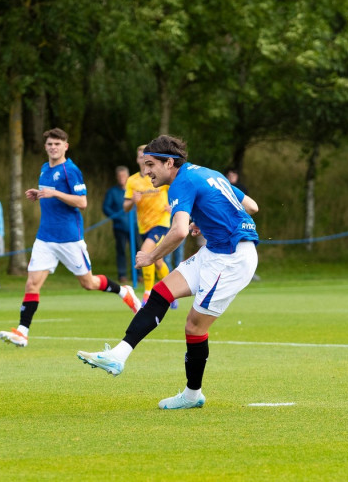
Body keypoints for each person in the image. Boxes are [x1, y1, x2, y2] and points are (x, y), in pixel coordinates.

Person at [77, 134, 260, 410]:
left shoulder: (181, 183)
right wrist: (208, 219)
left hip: (232, 260)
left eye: (150, 164)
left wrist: (151, 256)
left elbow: (179, 232)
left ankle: (191, 395)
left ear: (169, 162)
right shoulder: (206, 173)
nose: (146, 170)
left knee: (194, 327)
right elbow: (251, 206)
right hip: (215, 252)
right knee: (161, 293)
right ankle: (118, 355)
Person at [0, 128, 141, 348]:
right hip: (45, 238)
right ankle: (22, 332)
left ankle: (124, 291)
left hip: (69, 239)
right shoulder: (45, 168)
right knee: (31, 284)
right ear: (45, 147)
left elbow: (82, 202)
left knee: (89, 283)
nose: (53, 147)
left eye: (57, 144)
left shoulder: (70, 170)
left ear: (66, 146)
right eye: (50, 144)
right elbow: (51, 194)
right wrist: (39, 194)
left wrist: (55, 193)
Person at [124, 145, 171, 305]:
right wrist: (132, 201)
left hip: (161, 223)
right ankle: (171, 293)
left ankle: (148, 293)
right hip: (144, 226)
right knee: (157, 261)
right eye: (140, 157)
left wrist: (173, 206)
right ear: (138, 160)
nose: (143, 160)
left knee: (145, 252)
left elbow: (177, 189)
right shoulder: (132, 181)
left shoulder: (161, 177)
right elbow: (125, 207)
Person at [102, 165, 133, 283]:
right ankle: (122, 274)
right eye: (119, 176)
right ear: (117, 177)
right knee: (121, 251)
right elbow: (106, 208)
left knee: (138, 250)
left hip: (134, 225)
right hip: (119, 226)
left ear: (128, 177)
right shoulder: (112, 192)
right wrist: (117, 217)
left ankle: (139, 275)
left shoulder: (133, 190)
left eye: (124, 176)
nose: (122, 178)